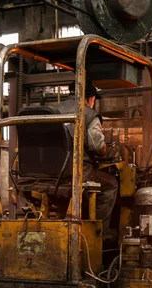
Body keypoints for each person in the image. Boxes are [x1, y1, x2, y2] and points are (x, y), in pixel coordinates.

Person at [55, 80, 118, 240]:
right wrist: (106, 150)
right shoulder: (88, 114)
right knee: (111, 185)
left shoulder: (53, 110)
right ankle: (100, 233)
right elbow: (96, 146)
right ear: (90, 98)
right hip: (77, 171)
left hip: (53, 173)